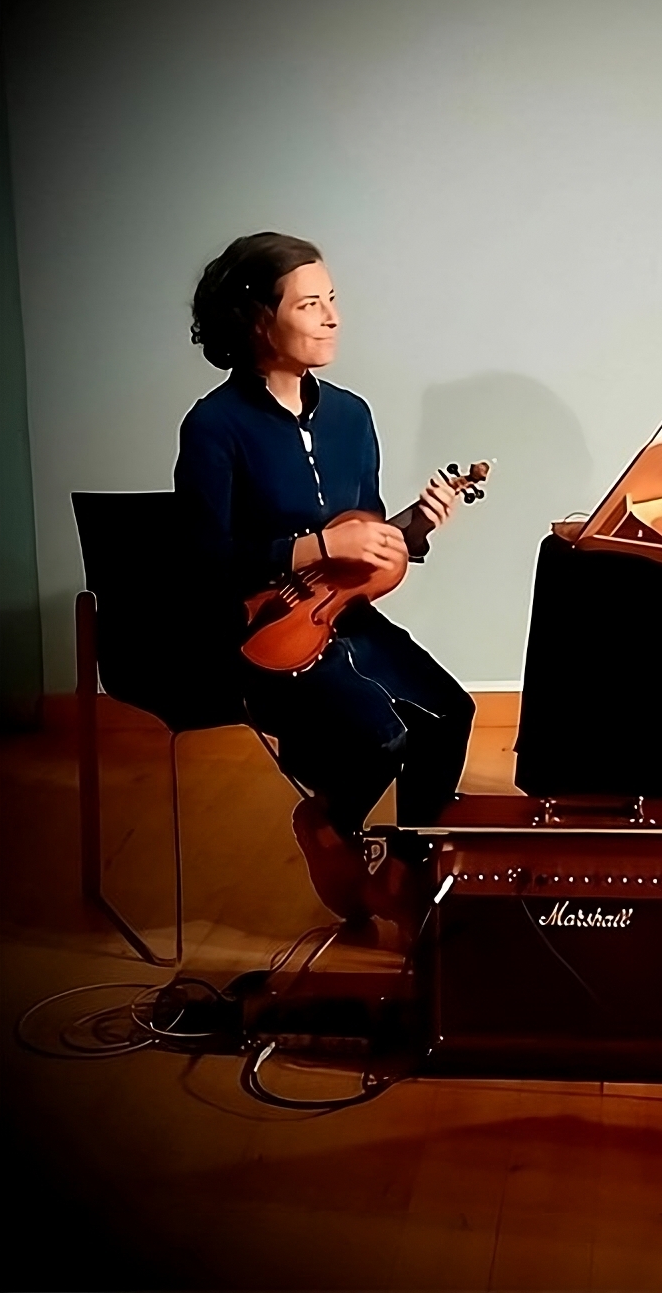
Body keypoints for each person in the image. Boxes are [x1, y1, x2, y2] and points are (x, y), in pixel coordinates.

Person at [174, 232, 475, 932]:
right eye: (310, 304)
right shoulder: (214, 426)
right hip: (255, 633)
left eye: (332, 299)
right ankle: (330, 820)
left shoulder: (351, 415)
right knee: (383, 736)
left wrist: (414, 528)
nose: (333, 317)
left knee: (449, 714)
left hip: (340, 617)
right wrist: (314, 545)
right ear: (258, 320)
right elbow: (202, 560)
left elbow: (359, 542)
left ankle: (408, 870)